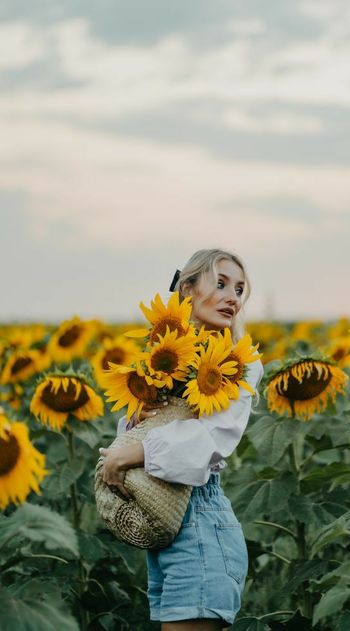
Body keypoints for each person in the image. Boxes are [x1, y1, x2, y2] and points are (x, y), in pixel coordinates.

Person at [100, 248, 264, 630]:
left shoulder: (242, 363)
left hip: (202, 529)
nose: (232, 298)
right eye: (220, 284)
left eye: (239, 290)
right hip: (165, 531)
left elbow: (212, 440)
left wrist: (127, 456)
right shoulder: (163, 359)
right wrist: (136, 419)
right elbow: (140, 428)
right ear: (187, 289)